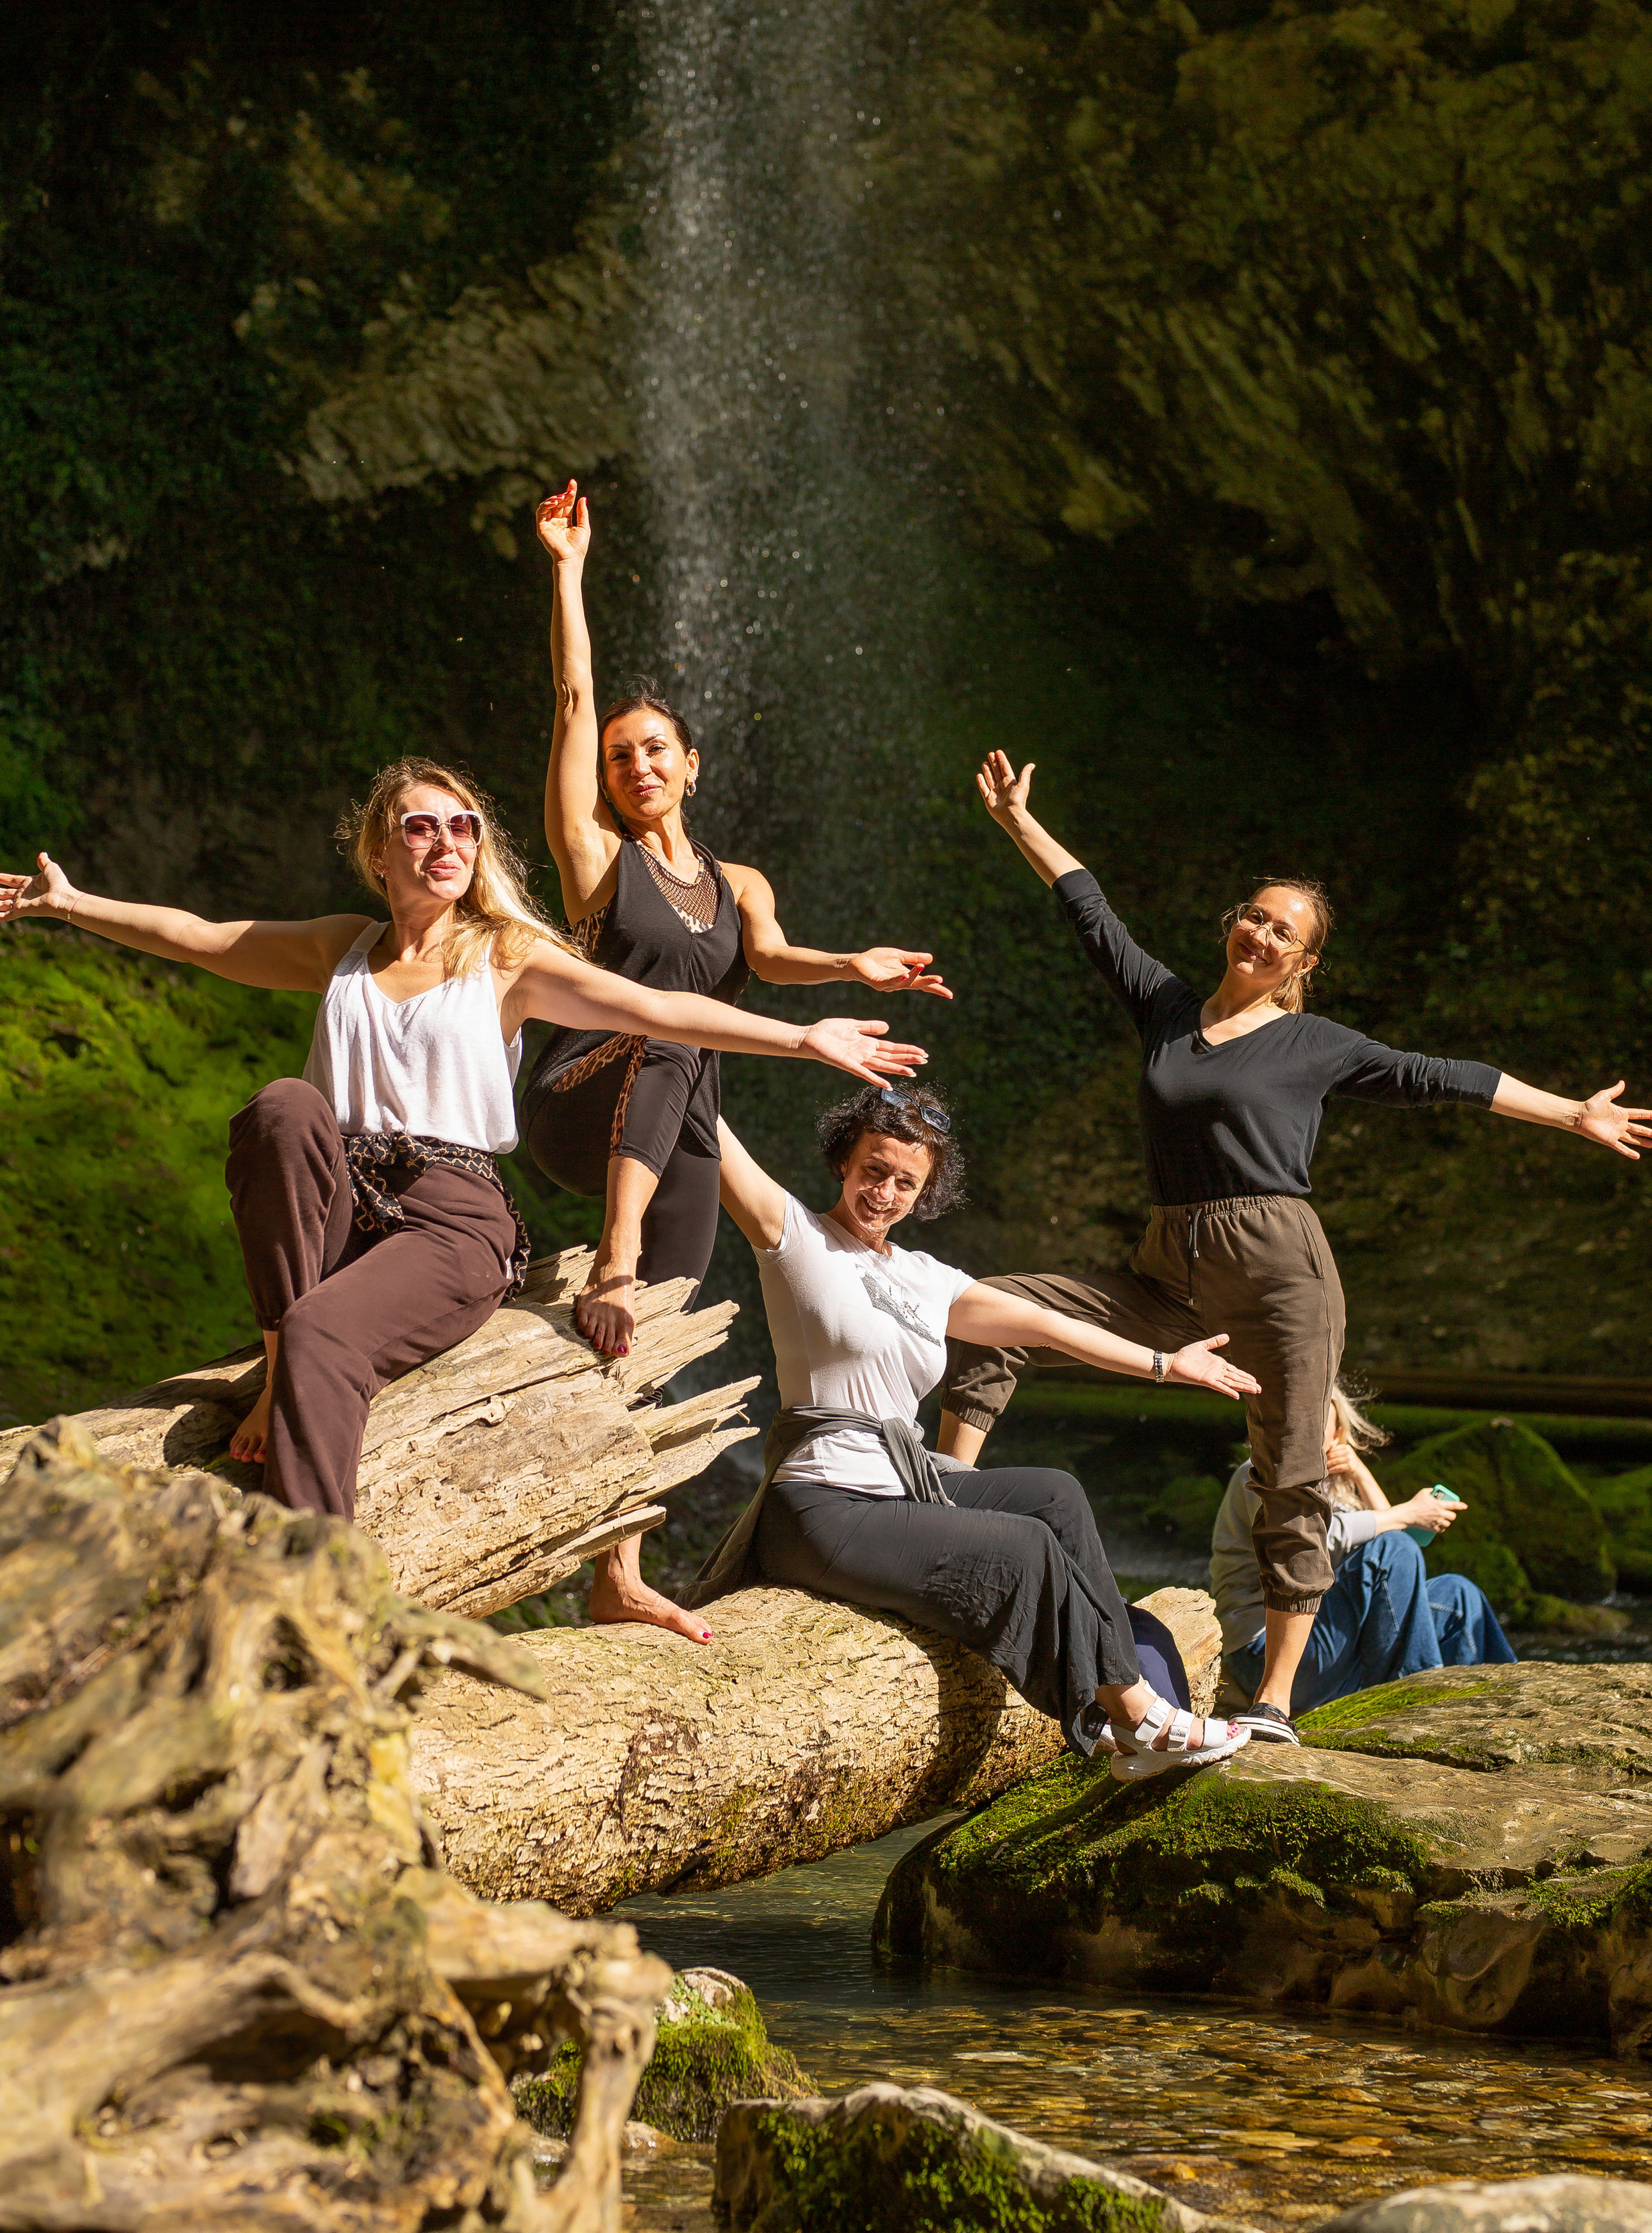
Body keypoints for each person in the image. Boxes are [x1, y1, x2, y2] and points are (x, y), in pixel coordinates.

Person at [0, 757, 927, 1527]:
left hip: (450, 1216)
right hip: (338, 1205)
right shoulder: (341, 948)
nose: (447, 841)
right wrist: (72, 905)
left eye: (464, 825)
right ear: (378, 853)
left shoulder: (504, 957)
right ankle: (281, 1365)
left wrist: (805, 1035)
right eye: (422, 826)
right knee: (281, 1109)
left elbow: (658, 1008)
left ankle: (314, 1592)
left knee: (325, 1332)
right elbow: (199, 936)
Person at [945, 750, 1649, 1747]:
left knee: (1288, 1470)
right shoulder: (1170, 1009)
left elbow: (1441, 1077)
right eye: (1256, 915)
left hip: (1278, 1268)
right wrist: (1019, 821)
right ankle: (953, 1500)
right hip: (1167, 1268)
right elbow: (1090, 913)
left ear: (1302, 963)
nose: (1263, 932)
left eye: (1286, 930)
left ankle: (1271, 1700)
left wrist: (1571, 1113)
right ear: (1232, 926)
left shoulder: (1315, 1046)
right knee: (991, 1307)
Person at [522, 478, 950, 1643]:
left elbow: (770, 958)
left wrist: (853, 968)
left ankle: (616, 1570)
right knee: (672, 1025)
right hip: (577, 1098)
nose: (634, 766)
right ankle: (610, 1254)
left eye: (655, 750)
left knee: (660, 1327)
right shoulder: (597, 862)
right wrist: (568, 571)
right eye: (620, 757)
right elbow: (569, 701)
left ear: (694, 765)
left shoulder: (738, 883)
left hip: (673, 1121)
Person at [691, 1082, 1264, 1778]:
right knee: (1023, 1546)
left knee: (1054, 1495)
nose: (884, 1192)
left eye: (906, 1182)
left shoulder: (925, 1279)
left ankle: (1132, 1690)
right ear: (844, 1161)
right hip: (820, 1505)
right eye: (873, 1169)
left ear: (924, 1193)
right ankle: (1138, 1715)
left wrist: (1165, 1364)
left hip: (898, 1489)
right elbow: (708, 1128)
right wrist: (683, 1019)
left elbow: (1048, 1325)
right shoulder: (796, 1239)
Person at [1212, 1385, 1516, 1707]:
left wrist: (1361, 1474)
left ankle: (1503, 1697)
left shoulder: (1329, 1487)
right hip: (1267, 1654)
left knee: (1458, 1594)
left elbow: (1399, 1549)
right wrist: (1408, 1512)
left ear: (1337, 1435)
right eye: (1298, 1427)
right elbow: (1315, 1541)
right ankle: (1416, 1697)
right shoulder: (1259, 1474)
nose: (1305, 1438)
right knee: (1392, 1549)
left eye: (1318, 1429)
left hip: (1323, 1645)